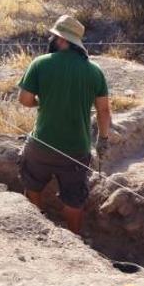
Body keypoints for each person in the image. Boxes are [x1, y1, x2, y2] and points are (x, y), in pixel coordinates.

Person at [17, 15, 112, 235]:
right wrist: (103, 140)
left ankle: (34, 233)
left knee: (32, 187)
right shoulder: (95, 71)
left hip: (41, 145)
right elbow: (104, 111)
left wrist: (44, 100)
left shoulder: (40, 63)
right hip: (76, 150)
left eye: (54, 36)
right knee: (74, 199)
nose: (51, 39)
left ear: (61, 39)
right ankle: (75, 242)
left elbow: (25, 100)